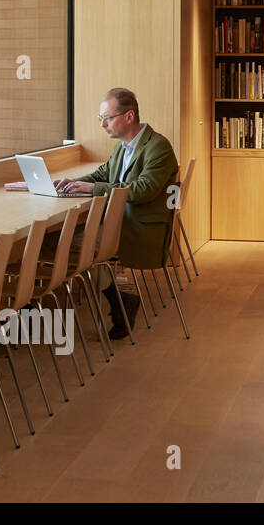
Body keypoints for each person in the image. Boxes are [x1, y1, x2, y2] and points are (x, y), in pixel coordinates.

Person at [54, 87, 178, 339]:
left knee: (70, 243)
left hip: (138, 228)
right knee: (73, 241)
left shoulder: (158, 147)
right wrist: (72, 183)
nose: (102, 124)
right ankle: (119, 299)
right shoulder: (124, 146)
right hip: (118, 221)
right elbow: (102, 175)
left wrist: (91, 187)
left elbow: (143, 190)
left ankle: (117, 298)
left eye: (107, 118)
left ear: (129, 116)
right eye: (100, 118)